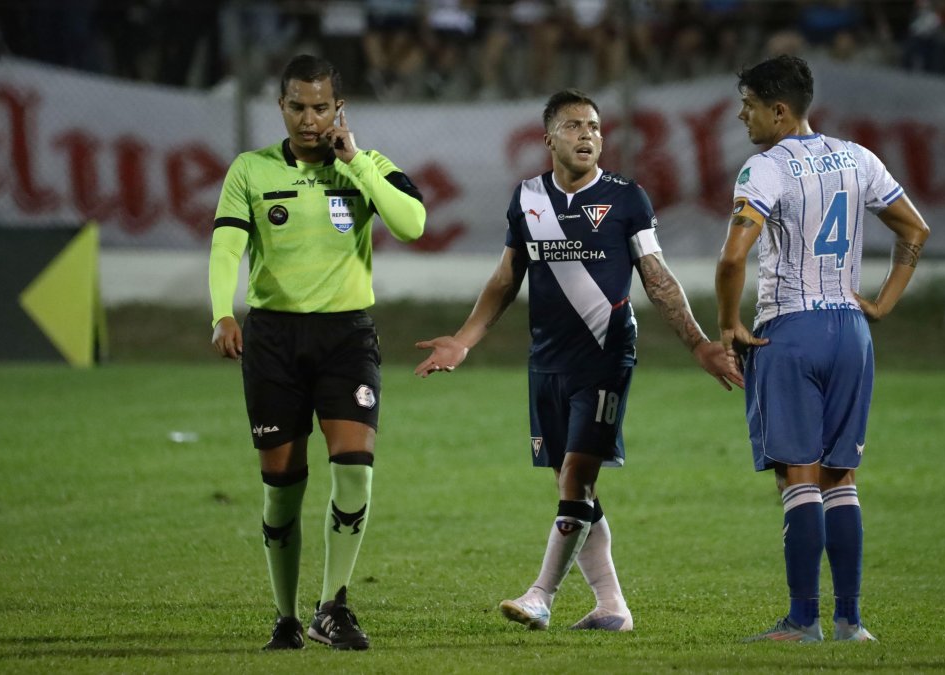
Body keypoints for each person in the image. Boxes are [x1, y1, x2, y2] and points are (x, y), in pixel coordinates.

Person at [415, 88, 741, 632]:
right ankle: (612, 606)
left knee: (575, 477)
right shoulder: (527, 199)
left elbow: (657, 279)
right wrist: (465, 340)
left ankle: (541, 595)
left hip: (605, 358)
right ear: (548, 139)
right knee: (576, 488)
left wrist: (699, 343)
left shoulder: (625, 198)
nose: (588, 134)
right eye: (573, 126)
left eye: (594, 126)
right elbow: (505, 278)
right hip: (546, 363)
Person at [209, 54, 426, 651]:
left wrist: (355, 162)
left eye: (321, 107)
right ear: (281, 107)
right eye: (298, 107)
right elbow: (227, 246)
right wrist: (221, 312)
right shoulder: (250, 171)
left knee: (354, 471)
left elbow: (412, 224)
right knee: (282, 486)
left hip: (346, 338)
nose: (310, 119)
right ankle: (285, 617)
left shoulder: (367, 165)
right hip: (274, 339)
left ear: (339, 109)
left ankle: (332, 605)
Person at [715, 54, 929, 643]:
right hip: (851, 333)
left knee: (800, 478)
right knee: (843, 478)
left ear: (778, 111)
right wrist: (882, 304)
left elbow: (733, 258)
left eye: (750, 106)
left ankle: (802, 620)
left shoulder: (765, 169)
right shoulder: (858, 157)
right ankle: (850, 622)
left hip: (791, 330)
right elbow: (915, 229)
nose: (742, 116)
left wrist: (729, 323)